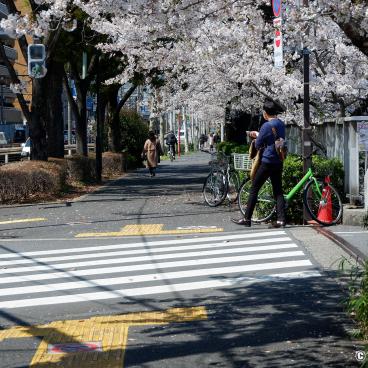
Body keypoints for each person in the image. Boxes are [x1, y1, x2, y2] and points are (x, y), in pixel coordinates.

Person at [232, 99, 286, 228]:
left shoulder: (266, 126)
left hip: (267, 161)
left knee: (254, 188)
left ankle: (247, 218)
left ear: (265, 113)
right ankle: (281, 220)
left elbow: (258, 144)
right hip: (279, 160)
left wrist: (256, 135)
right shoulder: (281, 124)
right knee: (278, 190)